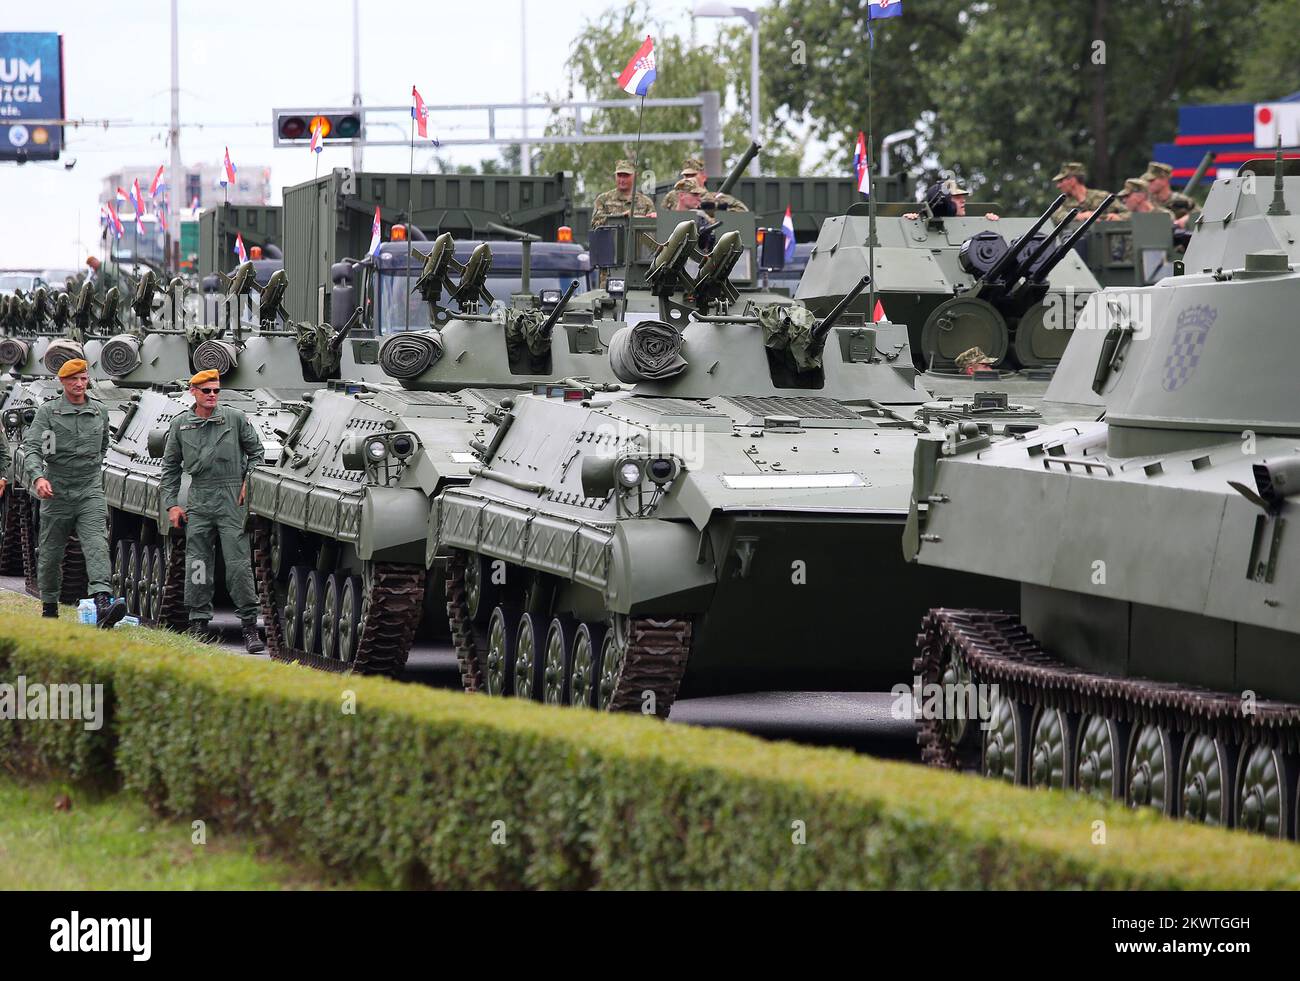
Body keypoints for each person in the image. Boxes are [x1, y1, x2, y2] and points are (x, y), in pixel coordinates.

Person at [160, 370, 267, 652]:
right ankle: (198, 624)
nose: (212, 395)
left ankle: (249, 627)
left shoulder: (234, 419)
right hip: (200, 498)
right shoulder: (181, 425)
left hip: (233, 499)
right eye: (206, 390)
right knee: (198, 563)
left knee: (238, 565)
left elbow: (257, 453)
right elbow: (170, 467)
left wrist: (249, 481)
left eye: (216, 391)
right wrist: (172, 503)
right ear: (192, 391)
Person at [20, 359, 127, 626]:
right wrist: (38, 477)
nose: (79, 384)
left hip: (89, 488)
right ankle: (49, 607)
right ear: (63, 382)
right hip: (56, 489)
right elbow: (33, 448)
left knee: (96, 544)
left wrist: (88, 470)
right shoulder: (49, 412)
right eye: (73, 380)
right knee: (51, 552)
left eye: (83, 378)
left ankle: (103, 601)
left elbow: (103, 447)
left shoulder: (99, 411)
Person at [663, 156, 749, 212]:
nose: (688, 179)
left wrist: (716, 207)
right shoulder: (673, 196)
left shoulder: (715, 198)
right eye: (686, 175)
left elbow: (743, 211)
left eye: (693, 175)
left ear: (703, 177)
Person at [590, 160, 656, 229]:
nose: (622, 180)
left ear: (635, 176)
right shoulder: (603, 200)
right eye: (619, 175)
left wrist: (640, 219)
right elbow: (595, 225)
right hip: (611, 239)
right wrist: (619, 218)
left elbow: (653, 230)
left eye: (626, 176)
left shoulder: (646, 203)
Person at [1051, 162, 1119, 223]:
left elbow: (1126, 213)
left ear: (1072, 180)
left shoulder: (1103, 196)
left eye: (1061, 181)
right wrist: (1080, 216)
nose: (1058, 186)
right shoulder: (1063, 202)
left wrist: (1117, 217)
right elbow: (1056, 216)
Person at [1142, 161, 1201, 229]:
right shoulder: (1147, 203)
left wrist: (1186, 219)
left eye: (1151, 180)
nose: (1148, 183)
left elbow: (1202, 215)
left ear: (1164, 179)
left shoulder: (1182, 201)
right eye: (1147, 180)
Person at [904, 179, 999, 220]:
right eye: (957, 198)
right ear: (945, 203)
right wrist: (910, 222)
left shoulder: (969, 225)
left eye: (962, 197)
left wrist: (989, 223)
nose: (963, 200)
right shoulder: (921, 224)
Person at [1101, 177, 1174, 221]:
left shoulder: (1164, 215)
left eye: (1127, 196)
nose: (1124, 200)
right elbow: (1111, 217)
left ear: (1141, 196)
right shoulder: (1129, 216)